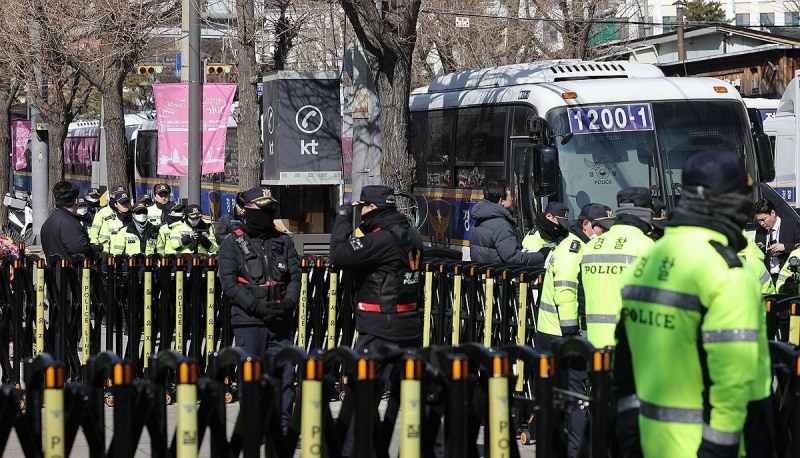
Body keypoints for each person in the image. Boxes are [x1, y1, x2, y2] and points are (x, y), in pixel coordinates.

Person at [614, 149, 768, 458]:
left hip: (649, 442)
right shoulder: (726, 273)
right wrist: (717, 449)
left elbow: (625, 362)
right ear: (734, 201)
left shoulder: (648, 259)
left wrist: (629, 430)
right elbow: (733, 382)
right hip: (709, 446)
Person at [329, 185, 424, 457]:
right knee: (414, 397)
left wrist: (343, 218)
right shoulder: (411, 234)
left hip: (380, 328)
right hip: (408, 325)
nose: (361, 213)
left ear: (372, 208)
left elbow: (339, 255)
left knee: (363, 394)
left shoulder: (382, 239)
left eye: (362, 208)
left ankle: (352, 451)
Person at [535, 202, 613, 458]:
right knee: (574, 397)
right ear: (586, 225)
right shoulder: (573, 249)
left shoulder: (581, 246)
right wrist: (572, 336)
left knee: (565, 397)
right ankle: (575, 451)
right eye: (601, 228)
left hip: (557, 334)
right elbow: (566, 292)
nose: (604, 233)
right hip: (558, 335)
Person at [218, 186, 301, 430]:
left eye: (271, 208)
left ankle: (282, 427)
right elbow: (229, 283)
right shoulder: (232, 243)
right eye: (262, 208)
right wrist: (256, 307)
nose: (268, 212)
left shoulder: (283, 241)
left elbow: (295, 277)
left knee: (284, 376)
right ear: (246, 210)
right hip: (249, 320)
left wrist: (288, 303)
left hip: (280, 320)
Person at [581, 187, 654, 349]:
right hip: (631, 344)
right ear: (647, 212)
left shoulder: (591, 246)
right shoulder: (645, 245)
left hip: (594, 343)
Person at [469, 180, 543, 266]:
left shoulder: (480, 220)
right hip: (500, 272)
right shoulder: (501, 226)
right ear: (501, 201)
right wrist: (542, 255)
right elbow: (514, 258)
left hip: (484, 272)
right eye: (510, 195)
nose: (512, 198)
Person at [41, 180, 93, 261]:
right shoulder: (70, 224)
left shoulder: (49, 221)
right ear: (76, 201)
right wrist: (95, 248)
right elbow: (80, 249)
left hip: (53, 267)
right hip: (69, 268)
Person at [754, 198, 800, 282]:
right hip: (768, 277)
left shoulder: (792, 226)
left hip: (787, 276)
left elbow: (798, 246)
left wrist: (785, 247)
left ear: (773, 213)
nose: (762, 223)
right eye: (758, 221)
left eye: (763, 219)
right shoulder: (760, 231)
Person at [96, 187, 133, 253]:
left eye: (127, 202)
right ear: (116, 205)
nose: (125, 205)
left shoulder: (136, 220)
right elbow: (104, 240)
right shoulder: (109, 221)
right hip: (114, 256)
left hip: (134, 257)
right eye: (122, 203)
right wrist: (105, 255)